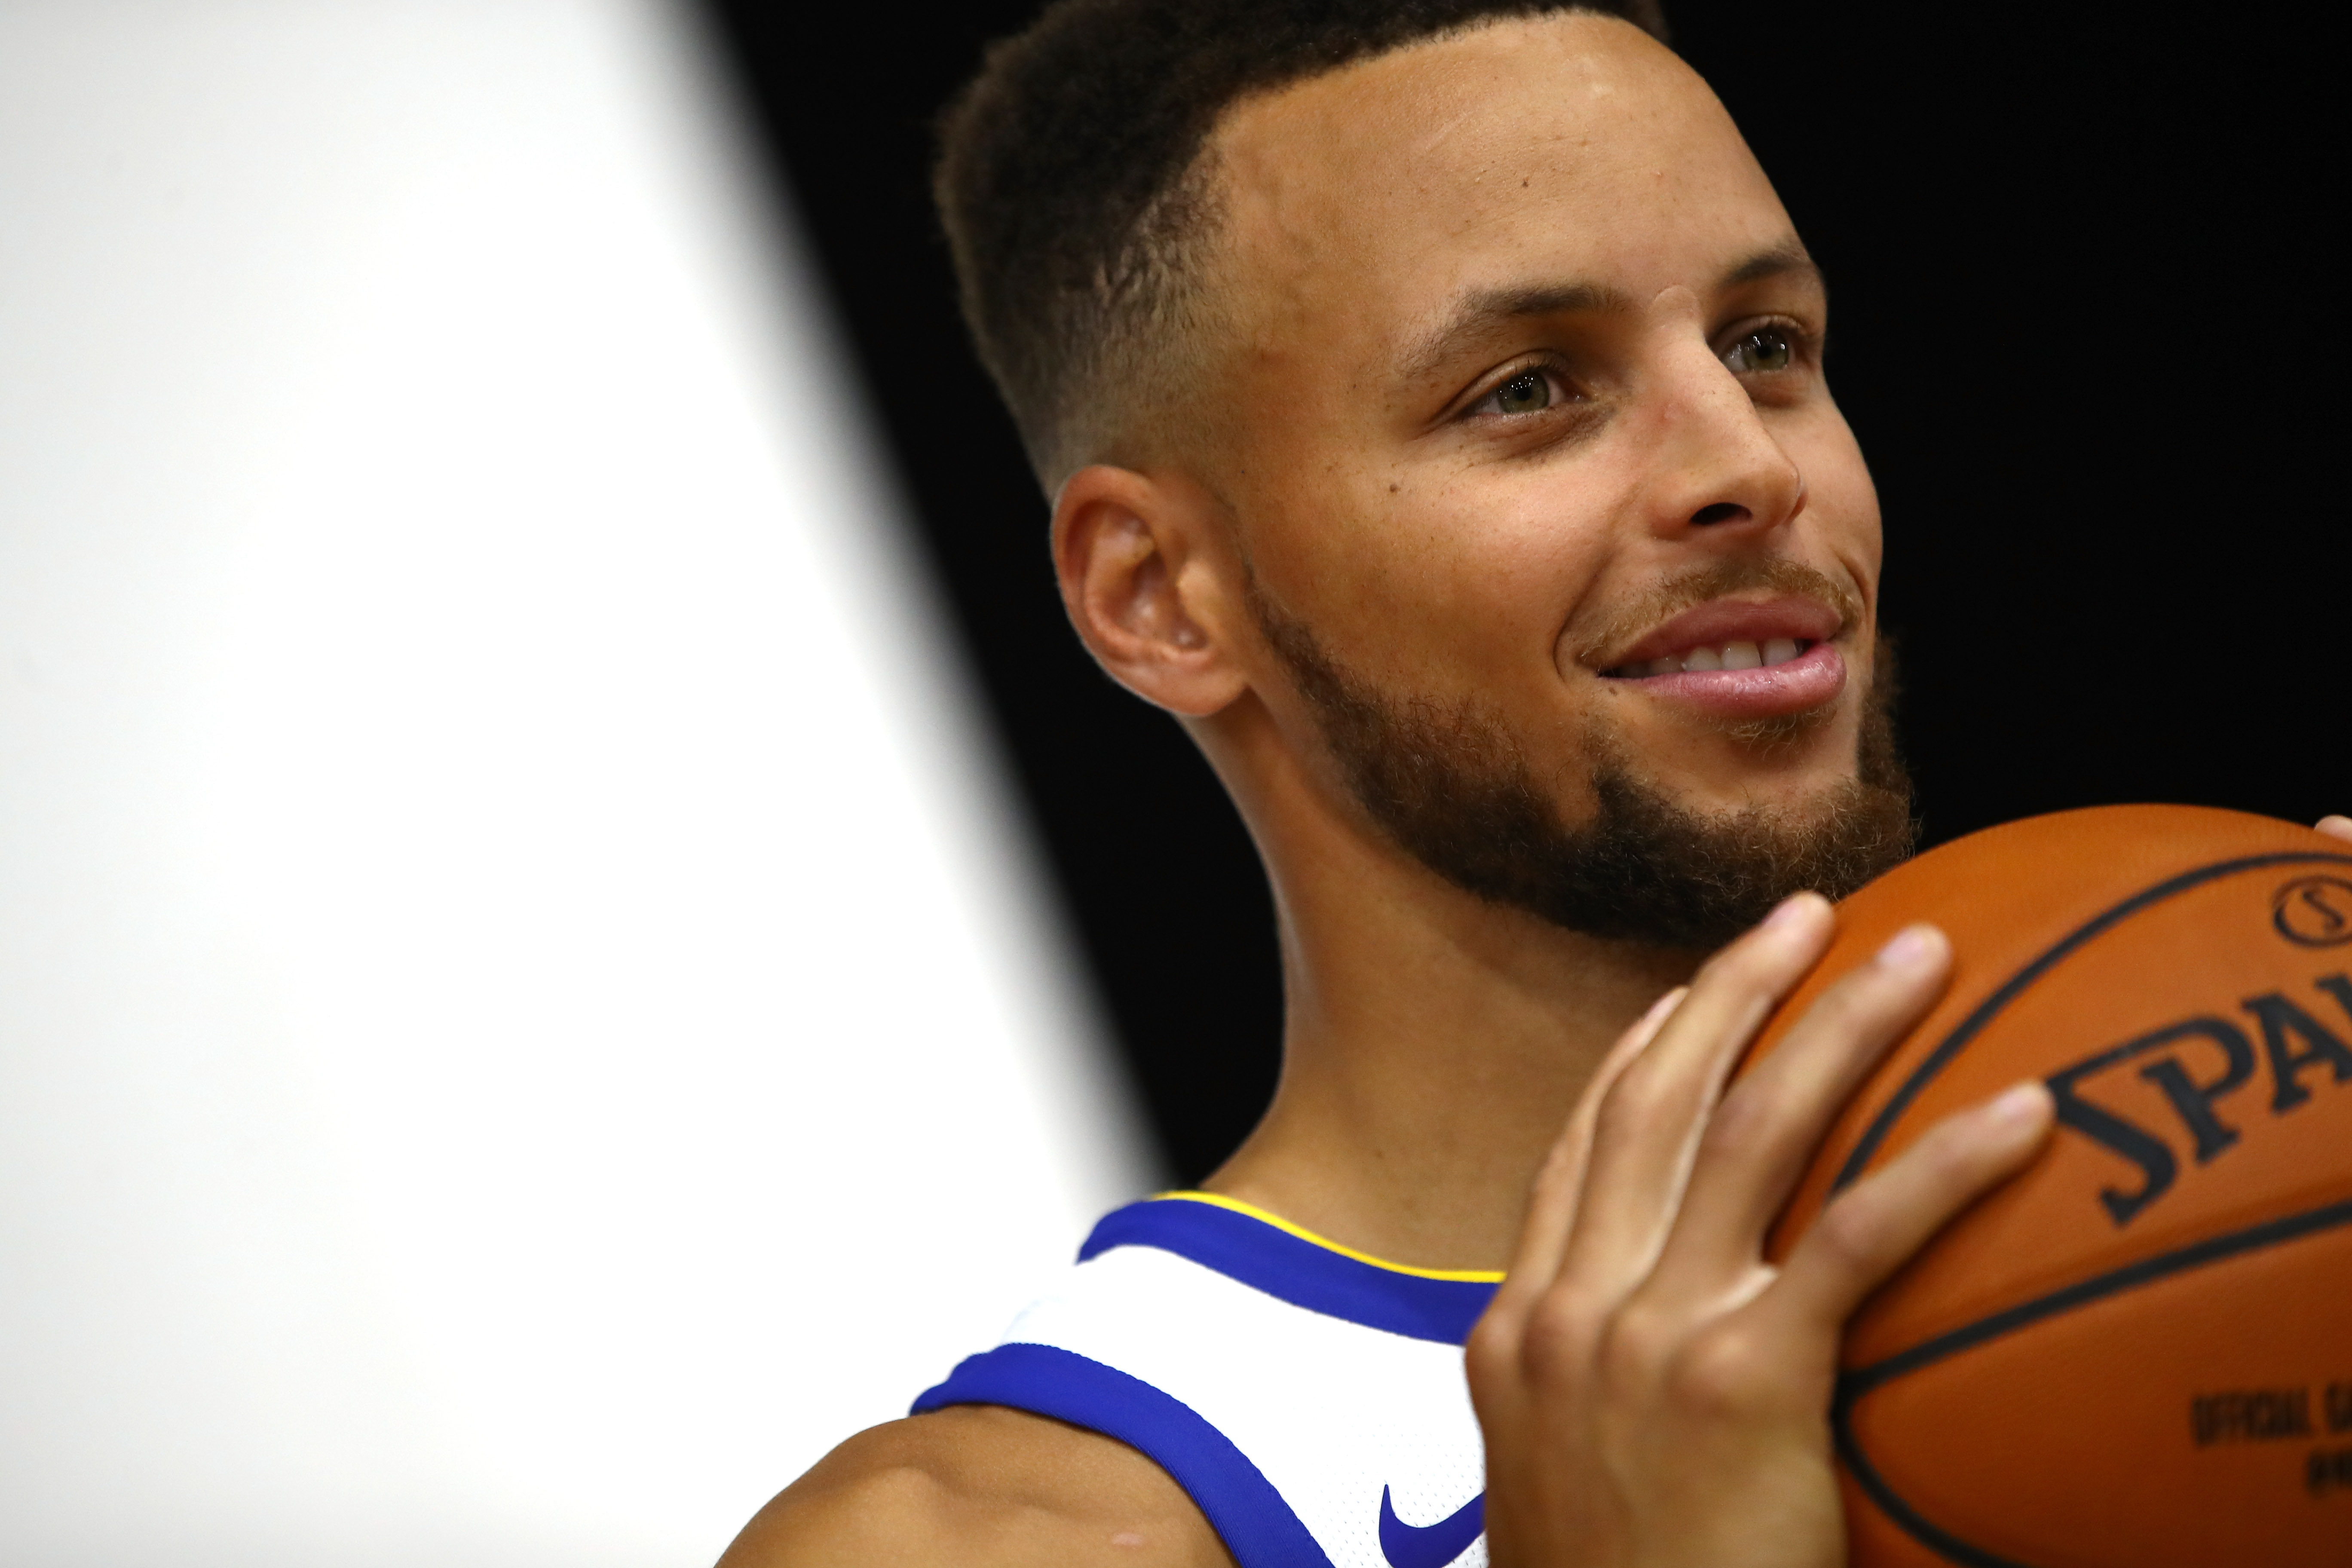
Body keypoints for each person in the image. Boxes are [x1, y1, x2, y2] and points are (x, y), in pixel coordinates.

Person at [718, 4, 2352, 1563]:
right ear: (1160, 593)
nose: (1752, 464)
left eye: (1767, 344)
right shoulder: (1007, 1536)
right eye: (1528, 390)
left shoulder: (2239, 1214)